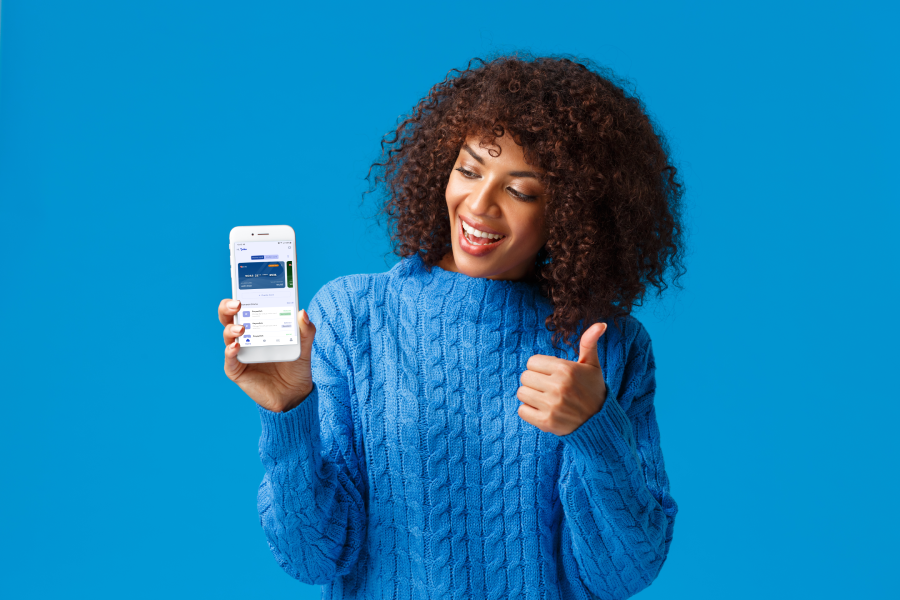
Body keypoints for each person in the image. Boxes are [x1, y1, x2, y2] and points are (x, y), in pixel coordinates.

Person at [217, 53, 686, 600]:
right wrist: (288, 413)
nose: (480, 205)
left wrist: (594, 429)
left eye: (520, 190)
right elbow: (312, 557)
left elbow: (622, 574)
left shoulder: (609, 347)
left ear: (573, 210)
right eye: (468, 170)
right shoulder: (351, 318)